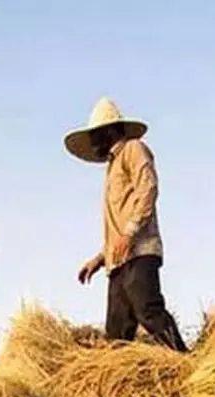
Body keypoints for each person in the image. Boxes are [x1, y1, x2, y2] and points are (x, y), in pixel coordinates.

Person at [65, 97, 188, 352]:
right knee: (117, 333)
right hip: (118, 260)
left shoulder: (133, 149)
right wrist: (99, 259)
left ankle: (184, 360)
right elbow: (116, 225)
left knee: (148, 311)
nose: (93, 143)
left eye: (95, 135)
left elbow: (148, 189)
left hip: (139, 252)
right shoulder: (111, 169)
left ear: (110, 130)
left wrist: (130, 234)